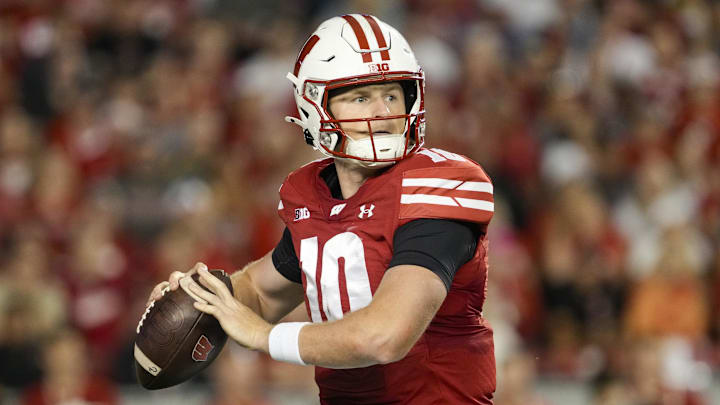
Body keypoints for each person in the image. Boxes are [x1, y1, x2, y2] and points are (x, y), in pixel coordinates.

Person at [146, 14, 496, 404]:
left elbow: (385, 336)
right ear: (315, 105)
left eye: (392, 94)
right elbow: (260, 294)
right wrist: (204, 299)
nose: (382, 111)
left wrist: (264, 337)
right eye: (361, 97)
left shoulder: (436, 185)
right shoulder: (311, 196)